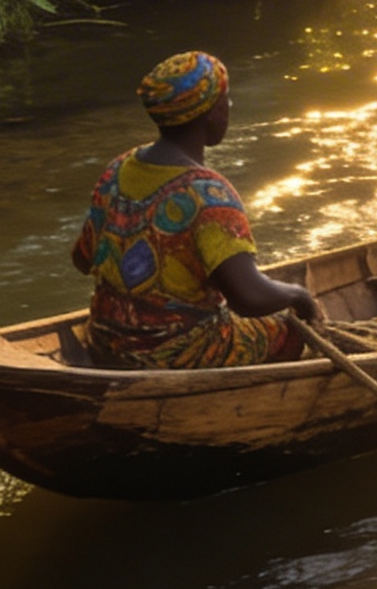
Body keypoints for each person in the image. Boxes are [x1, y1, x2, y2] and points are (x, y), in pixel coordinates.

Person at [72, 51, 321, 369]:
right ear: (211, 111)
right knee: (291, 331)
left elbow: (82, 259)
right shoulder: (208, 194)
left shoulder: (117, 170)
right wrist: (300, 296)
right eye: (226, 101)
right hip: (177, 353)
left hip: (105, 341)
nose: (229, 107)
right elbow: (250, 298)